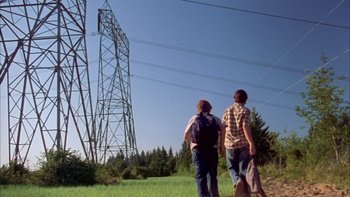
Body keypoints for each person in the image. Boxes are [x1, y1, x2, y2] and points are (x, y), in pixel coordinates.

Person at [184, 99, 225, 197]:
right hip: (212, 150)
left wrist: (191, 145)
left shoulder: (194, 118)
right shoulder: (214, 119)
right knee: (212, 175)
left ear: (198, 109)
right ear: (210, 109)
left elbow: (185, 135)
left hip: (197, 150)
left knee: (200, 176)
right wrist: (221, 146)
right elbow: (223, 128)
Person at [220, 89, 256, 197]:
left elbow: (222, 128)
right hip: (242, 144)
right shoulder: (246, 110)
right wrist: (251, 143)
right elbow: (245, 126)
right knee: (243, 171)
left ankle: (236, 181)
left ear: (234, 98)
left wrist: (221, 144)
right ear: (245, 100)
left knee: (232, 169)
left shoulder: (227, 110)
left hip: (229, 145)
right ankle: (245, 194)